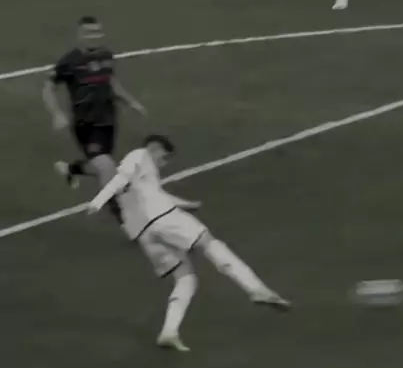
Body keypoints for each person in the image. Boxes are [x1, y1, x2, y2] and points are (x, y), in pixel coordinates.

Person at [87, 134, 291, 351]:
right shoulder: (140, 155)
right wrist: (97, 202)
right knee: (209, 243)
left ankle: (169, 332)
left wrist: (188, 204)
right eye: (164, 157)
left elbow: (155, 194)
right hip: (162, 218)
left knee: (185, 278)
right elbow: (121, 178)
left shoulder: (143, 179)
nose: (164, 163)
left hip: (144, 235)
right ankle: (255, 288)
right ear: (155, 148)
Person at [43, 15, 146, 223]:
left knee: (101, 166)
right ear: (80, 35)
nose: (94, 36)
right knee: (106, 166)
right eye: (89, 32)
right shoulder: (69, 61)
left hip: (108, 121)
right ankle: (123, 216)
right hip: (86, 124)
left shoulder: (106, 56)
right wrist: (56, 113)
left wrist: (130, 101)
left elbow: (111, 83)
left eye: (97, 32)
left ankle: (70, 169)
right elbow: (48, 88)